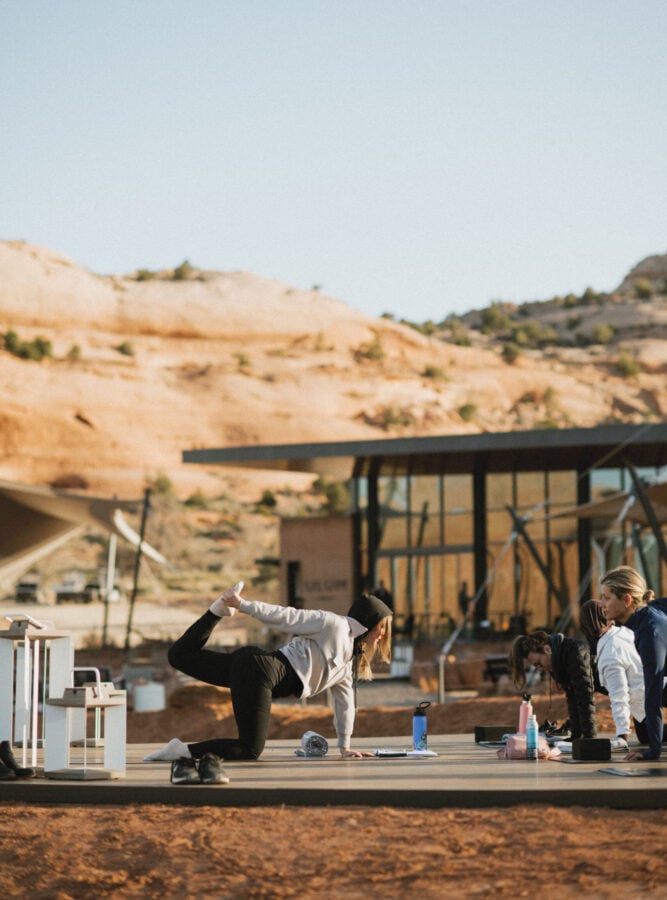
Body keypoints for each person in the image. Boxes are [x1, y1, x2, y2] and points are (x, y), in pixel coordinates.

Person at [145, 585, 393, 764]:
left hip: (254, 669)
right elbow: (287, 617)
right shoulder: (333, 625)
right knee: (250, 750)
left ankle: (215, 612)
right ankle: (181, 751)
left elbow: (345, 704)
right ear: (369, 622)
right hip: (260, 671)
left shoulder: (347, 664)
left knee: (179, 656)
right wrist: (243, 606)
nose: (382, 634)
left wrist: (345, 746)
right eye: (381, 627)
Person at [599, 565, 667, 762]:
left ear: (627, 600)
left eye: (607, 598)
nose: (601, 604)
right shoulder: (650, 612)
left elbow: (653, 696)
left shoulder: (649, 632)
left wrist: (652, 753)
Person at [579, 599, 647, 751]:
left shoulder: (610, 652)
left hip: (651, 694)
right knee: (646, 735)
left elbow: (619, 694)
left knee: (650, 734)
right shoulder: (623, 632)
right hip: (649, 692)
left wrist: (622, 735)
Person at [508, 629, 597, 740]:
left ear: (547, 649)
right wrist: (576, 736)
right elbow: (573, 697)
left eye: (538, 663)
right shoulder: (558, 658)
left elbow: (585, 696)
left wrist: (589, 738)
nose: (540, 669)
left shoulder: (574, 652)